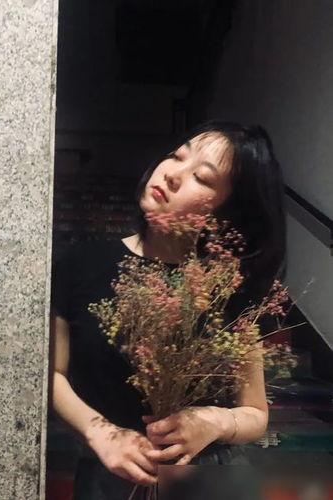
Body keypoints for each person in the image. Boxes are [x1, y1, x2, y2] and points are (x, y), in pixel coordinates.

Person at [49, 120, 287, 499]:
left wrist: (212, 421)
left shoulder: (229, 288)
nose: (173, 173)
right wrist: (100, 433)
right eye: (177, 156)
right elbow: (51, 376)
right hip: (110, 477)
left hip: (207, 480)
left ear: (227, 212)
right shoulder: (81, 263)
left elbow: (255, 413)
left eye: (202, 178)